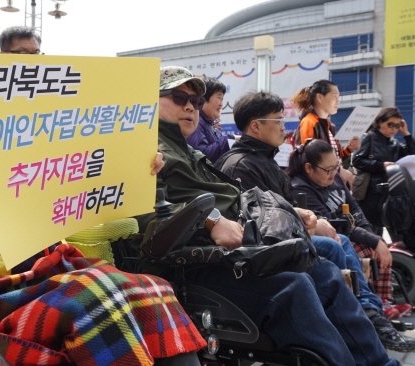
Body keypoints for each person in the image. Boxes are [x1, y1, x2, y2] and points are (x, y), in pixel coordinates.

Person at [0, 19, 203, 366]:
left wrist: (130, 169)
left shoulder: (41, 123)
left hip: (52, 270)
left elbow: (70, 204)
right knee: (92, 297)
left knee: (151, 290)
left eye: (0, 60)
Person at [137, 65, 403, 365]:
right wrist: (209, 219)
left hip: (234, 249)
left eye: (197, 101)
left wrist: (287, 214)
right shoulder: (141, 150)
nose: (190, 106)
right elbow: (140, 216)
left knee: (323, 270)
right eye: (177, 96)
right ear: (148, 101)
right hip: (191, 264)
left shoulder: (186, 150)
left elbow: (237, 201)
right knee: (294, 284)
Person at [213, 91, 414, 351]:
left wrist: (304, 219)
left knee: (338, 240)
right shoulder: (241, 165)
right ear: (256, 125)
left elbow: (283, 209)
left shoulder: (265, 160)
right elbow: (258, 221)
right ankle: (361, 319)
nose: (284, 127)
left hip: (286, 238)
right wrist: (305, 220)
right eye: (278, 120)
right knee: (333, 244)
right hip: (265, 251)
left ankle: (365, 316)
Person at [286, 139, 410, 318]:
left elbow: (355, 210)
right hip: (336, 236)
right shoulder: (299, 188)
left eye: (336, 167)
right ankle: (368, 306)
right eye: (328, 169)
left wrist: (372, 236)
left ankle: (382, 301)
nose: (334, 173)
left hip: (348, 233)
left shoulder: (334, 177)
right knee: (367, 246)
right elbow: (334, 227)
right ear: (308, 168)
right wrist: (372, 240)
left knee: (378, 244)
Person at [352, 107, 415, 236]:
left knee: (390, 227)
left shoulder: (395, 143)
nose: (394, 128)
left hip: (390, 192)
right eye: (391, 124)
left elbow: (411, 156)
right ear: (380, 122)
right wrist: (381, 166)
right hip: (370, 193)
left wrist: (406, 134)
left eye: (398, 125)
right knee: (370, 231)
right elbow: (357, 161)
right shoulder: (369, 138)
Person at [290, 80, 360, 188]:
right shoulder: (309, 122)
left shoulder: (328, 125)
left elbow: (334, 156)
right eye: (335, 96)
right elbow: (309, 157)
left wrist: (349, 149)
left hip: (330, 182)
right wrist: (339, 170)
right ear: (320, 97)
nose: (338, 101)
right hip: (317, 186)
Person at [186, 77, 234, 162]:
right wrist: (229, 139)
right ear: (203, 99)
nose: (221, 104)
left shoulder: (206, 122)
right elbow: (201, 155)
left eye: (222, 99)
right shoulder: (197, 122)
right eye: (219, 98)